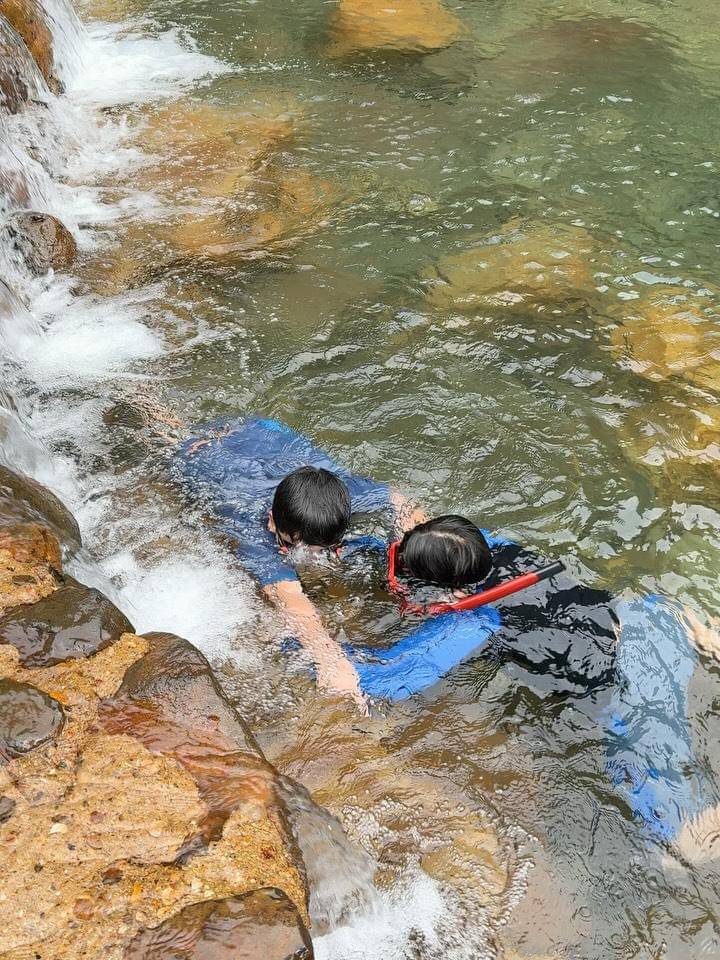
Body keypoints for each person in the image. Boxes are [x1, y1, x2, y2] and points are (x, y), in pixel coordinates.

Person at [176, 415, 425, 709]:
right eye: (289, 543)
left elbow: (401, 501)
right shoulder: (248, 525)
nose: (299, 552)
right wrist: (330, 660)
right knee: (172, 432)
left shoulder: (344, 495)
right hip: (204, 454)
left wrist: (413, 555)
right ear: (271, 520)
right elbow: (287, 596)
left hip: (264, 432)